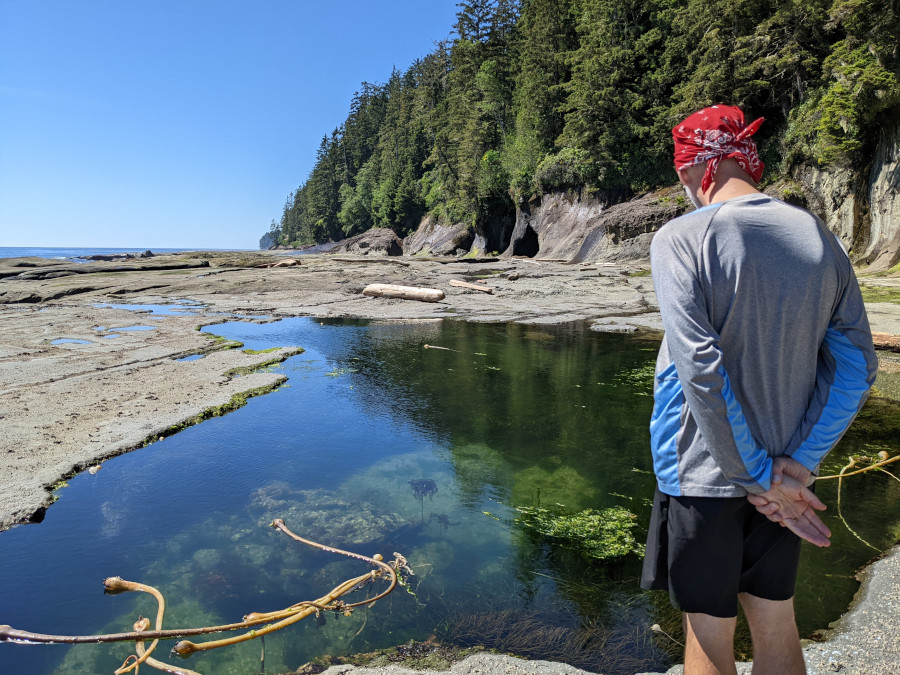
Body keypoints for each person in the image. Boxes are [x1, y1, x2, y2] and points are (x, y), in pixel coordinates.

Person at [640, 105, 878, 675]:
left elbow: (700, 367)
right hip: (782, 479)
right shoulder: (821, 239)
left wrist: (751, 475)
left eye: (683, 181)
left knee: (708, 637)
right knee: (777, 623)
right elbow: (856, 367)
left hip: (703, 473)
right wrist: (795, 466)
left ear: (700, 172)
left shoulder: (681, 238)